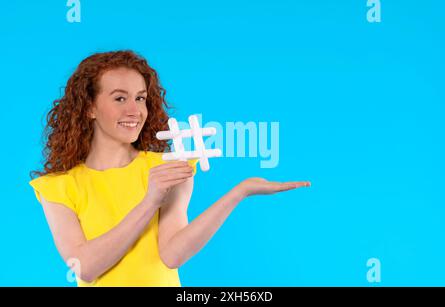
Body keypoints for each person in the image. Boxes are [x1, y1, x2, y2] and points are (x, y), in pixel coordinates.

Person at [29, 50, 311, 287]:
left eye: (140, 98)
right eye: (119, 98)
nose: (134, 110)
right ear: (89, 107)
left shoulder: (169, 169)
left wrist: (239, 192)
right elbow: (86, 268)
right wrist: (150, 201)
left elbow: (172, 255)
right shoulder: (58, 187)